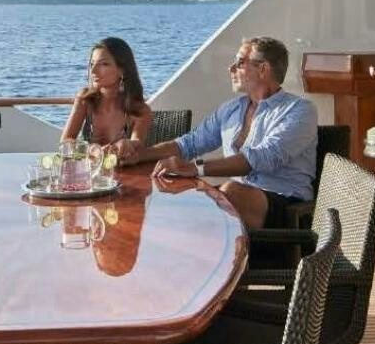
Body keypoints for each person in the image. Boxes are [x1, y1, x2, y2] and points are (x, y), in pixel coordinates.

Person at [124, 36, 316, 231]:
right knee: (180, 198)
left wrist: (195, 168)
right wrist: (138, 154)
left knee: (229, 192)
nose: (230, 68)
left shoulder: (299, 110)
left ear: (263, 69)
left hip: (286, 206)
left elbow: (261, 158)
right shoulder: (231, 109)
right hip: (237, 199)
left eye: (239, 62)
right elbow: (189, 144)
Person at [61, 37, 154, 152]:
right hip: (88, 169)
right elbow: (65, 141)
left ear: (122, 70)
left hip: (123, 169)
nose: (93, 71)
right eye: (92, 64)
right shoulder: (85, 99)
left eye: (103, 64)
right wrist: (91, 149)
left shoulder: (140, 110)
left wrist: (129, 145)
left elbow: (137, 144)